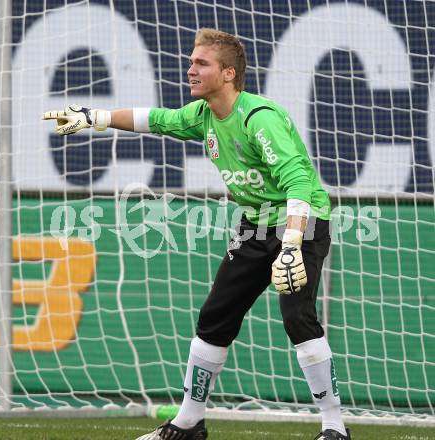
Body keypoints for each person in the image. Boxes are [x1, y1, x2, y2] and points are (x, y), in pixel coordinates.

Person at [43, 28, 351, 440]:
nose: (190, 70)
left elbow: (298, 181)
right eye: (191, 61)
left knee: (298, 318)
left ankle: (335, 428)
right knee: (215, 317)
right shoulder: (203, 115)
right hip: (255, 224)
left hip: (302, 222)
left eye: (200, 63)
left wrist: (291, 245)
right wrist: (92, 117)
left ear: (227, 74)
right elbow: (154, 120)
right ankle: (188, 423)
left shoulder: (259, 118)